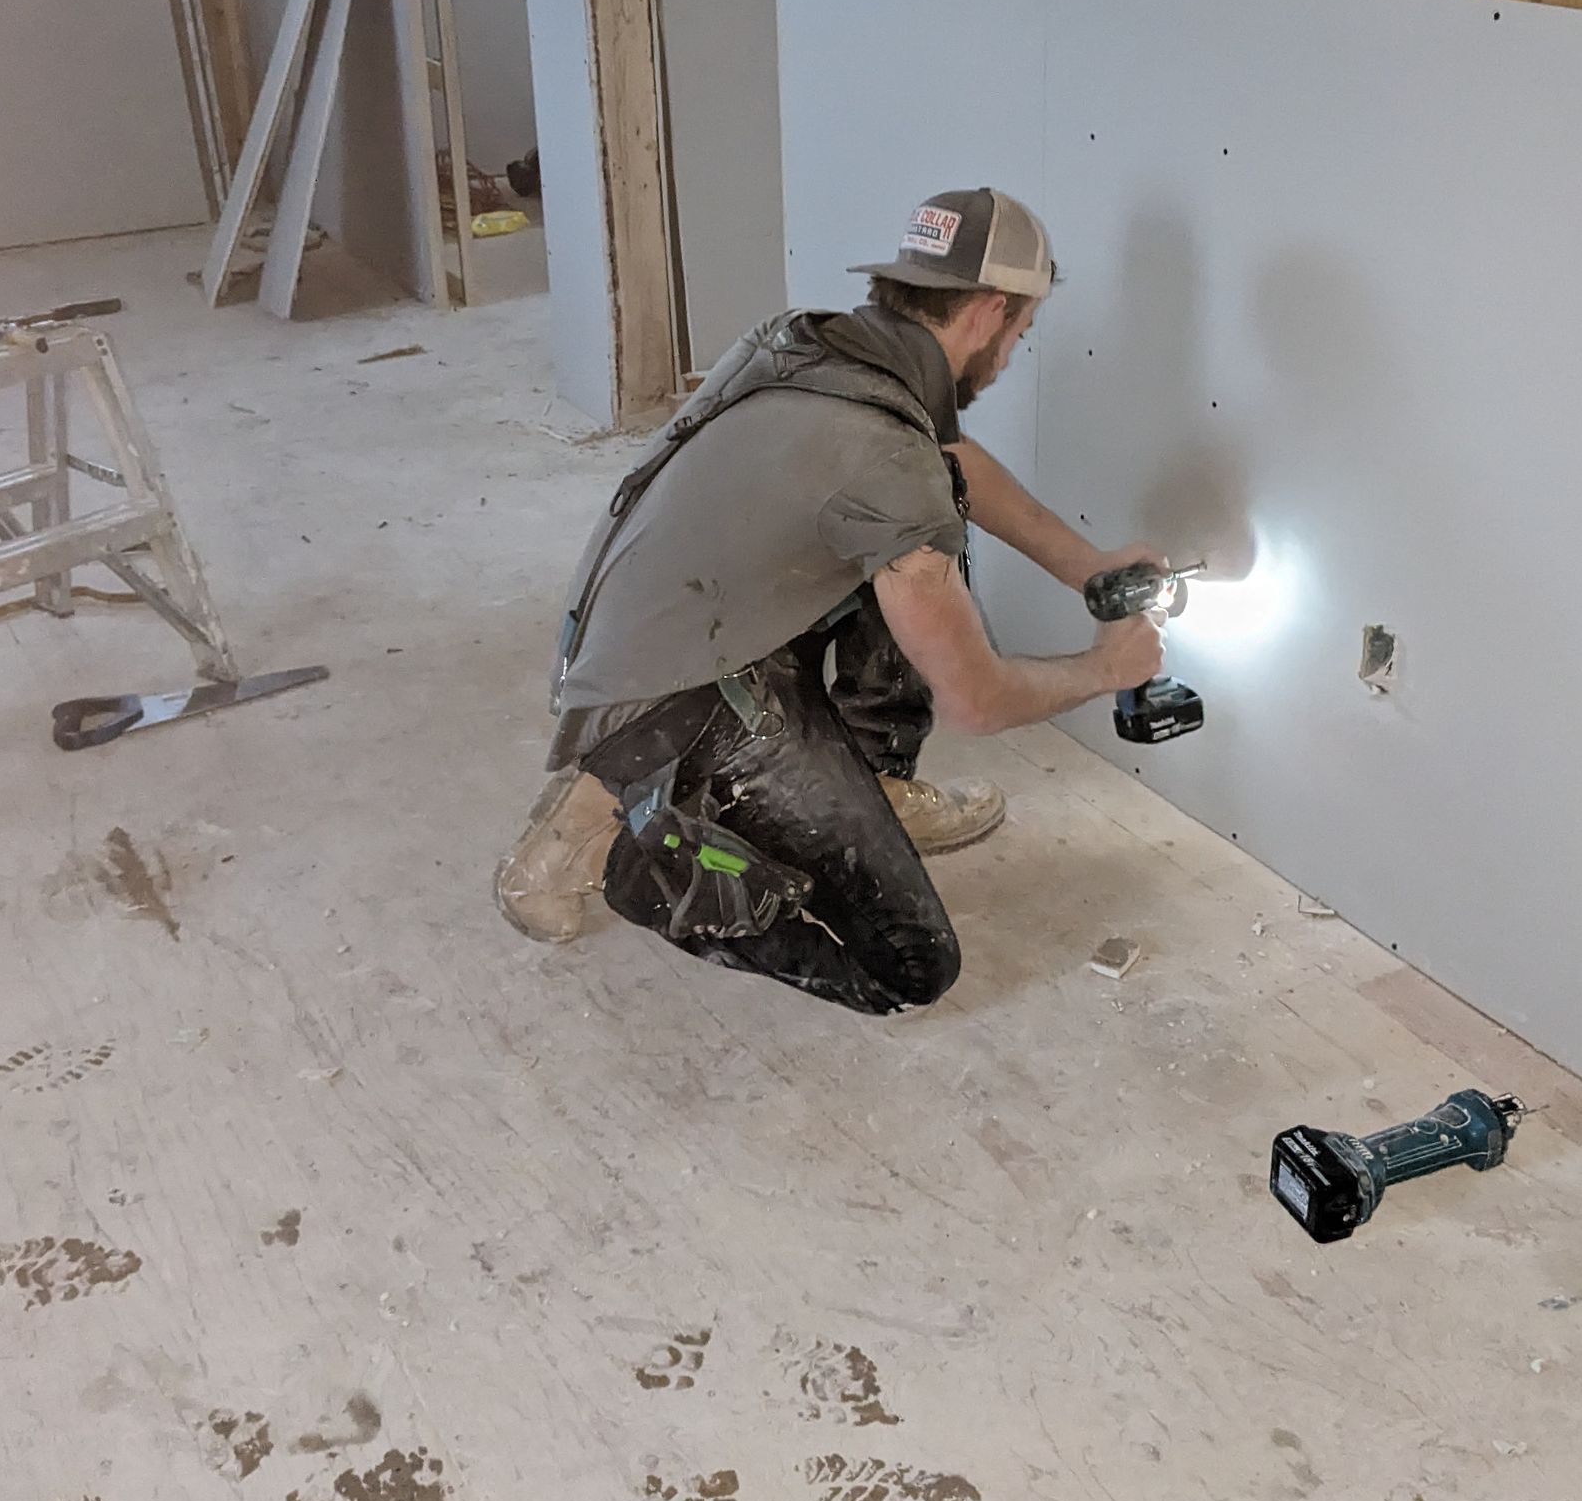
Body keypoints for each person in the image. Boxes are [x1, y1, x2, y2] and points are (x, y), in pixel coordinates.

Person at [495, 187, 1166, 1015]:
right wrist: (1106, 668)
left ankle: (868, 781)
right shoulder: (886, 458)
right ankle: (636, 859)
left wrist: (1087, 566)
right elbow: (975, 700)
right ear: (992, 312)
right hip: (672, 704)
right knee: (911, 966)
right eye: (1021, 333)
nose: (1013, 351)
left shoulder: (809, 346)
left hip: (643, 637)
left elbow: (947, 465)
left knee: (931, 512)